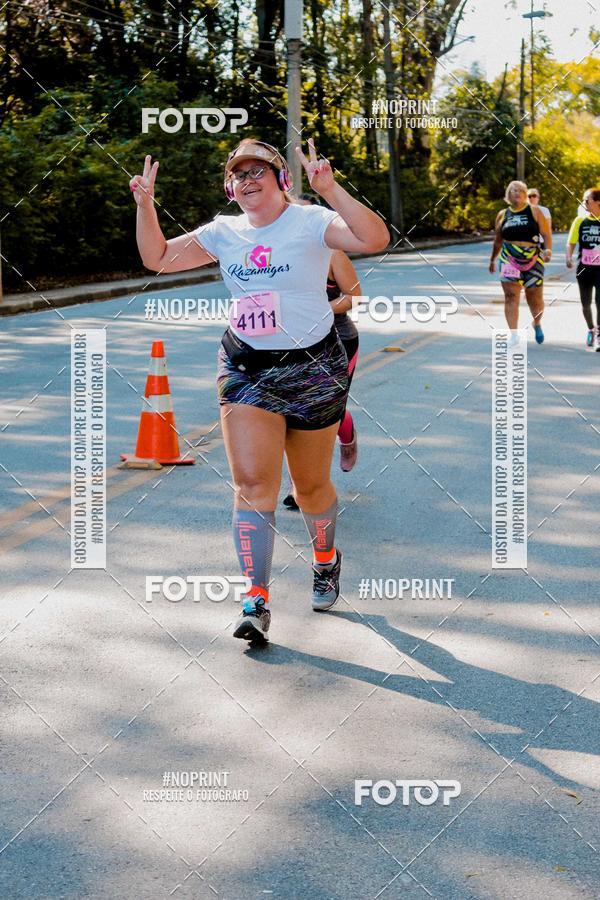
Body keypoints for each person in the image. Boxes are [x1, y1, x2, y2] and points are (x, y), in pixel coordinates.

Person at [129, 139, 389, 643]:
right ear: (230, 187)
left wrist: (331, 188)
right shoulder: (224, 233)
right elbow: (157, 258)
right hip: (247, 369)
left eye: (258, 172)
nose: (248, 180)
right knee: (252, 485)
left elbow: (374, 238)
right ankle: (256, 597)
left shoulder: (313, 221)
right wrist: (145, 206)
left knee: (311, 488)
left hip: (313, 369)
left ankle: (325, 558)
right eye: (238, 174)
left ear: (280, 179)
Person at [283, 193, 361, 511]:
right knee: (293, 414)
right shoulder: (277, 254)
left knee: (323, 414)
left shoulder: (330, 251)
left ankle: (347, 434)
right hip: (291, 343)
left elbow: (353, 296)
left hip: (337, 339)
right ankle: (299, 487)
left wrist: (319, 309)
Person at [489, 180, 553, 343]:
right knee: (511, 296)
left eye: (520, 190)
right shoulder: (503, 214)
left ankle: (537, 323)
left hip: (533, 257)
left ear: (525, 195)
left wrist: (547, 249)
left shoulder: (534, 211)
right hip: (509, 257)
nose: (516, 193)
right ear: (508, 195)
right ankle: (514, 335)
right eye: (513, 190)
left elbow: (546, 234)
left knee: (535, 298)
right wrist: (492, 260)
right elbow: (498, 240)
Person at [566, 188, 600, 350]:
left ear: (598, 202)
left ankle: (599, 333)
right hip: (584, 269)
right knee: (585, 303)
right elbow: (571, 242)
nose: (584, 203)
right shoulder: (580, 221)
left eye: (587, 200)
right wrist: (568, 257)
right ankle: (591, 329)